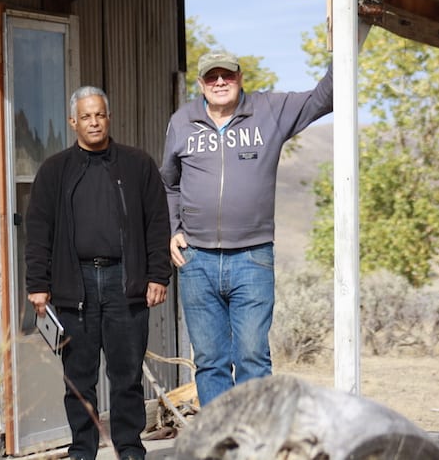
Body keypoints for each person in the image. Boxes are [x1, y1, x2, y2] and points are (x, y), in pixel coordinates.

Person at [160, 50, 333, 406]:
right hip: (197, 261)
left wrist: (348, 41)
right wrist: (174, 228)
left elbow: (324, 98)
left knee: (252, 358)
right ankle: (220, 442)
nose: (220, 82)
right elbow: (169, 184)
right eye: (211, 77)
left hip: (252, 258)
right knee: (209, 362)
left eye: (227, 75)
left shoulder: (269, 111)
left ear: (240, 78)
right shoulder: (182, 121)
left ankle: (257, 441)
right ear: (200, 84)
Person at [25, 86, 171, 460]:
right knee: (79, 377)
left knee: (126, 376)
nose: (94, 122)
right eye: (86, 116)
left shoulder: (137, 165)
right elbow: (38, 228)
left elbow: (157, 222)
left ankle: (129, 448)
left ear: (109, 117)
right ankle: (82, 450)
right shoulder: (55, 170)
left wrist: (158, 274)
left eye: (100, 114)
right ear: (73, 122)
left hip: (126, 283)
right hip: (75, 286)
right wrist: (37, 284)